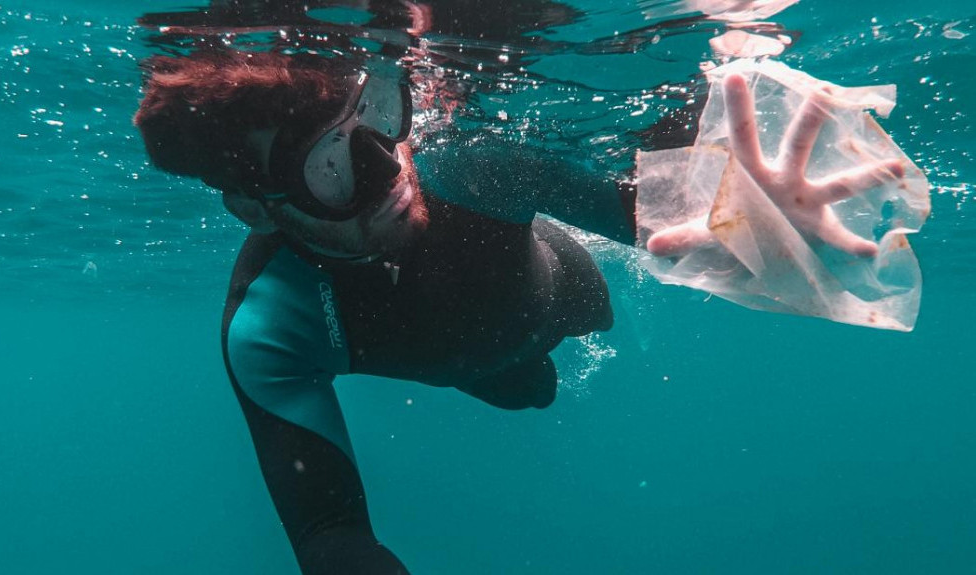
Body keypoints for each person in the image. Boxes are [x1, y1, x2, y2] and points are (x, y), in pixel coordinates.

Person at [133, 49, 903, 574]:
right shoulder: (270, 321)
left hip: (563, 294)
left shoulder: (474, 170)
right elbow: (328, 530)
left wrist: (771, 234)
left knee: (538, 363)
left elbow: (682, 230)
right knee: (526, 388)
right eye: (332, 167)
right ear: (254, 209)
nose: (389, 166)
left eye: (377, 120)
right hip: (480, 359)